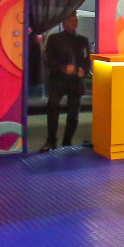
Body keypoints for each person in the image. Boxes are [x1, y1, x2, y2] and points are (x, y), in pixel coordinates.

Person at [42, 13, 92, 150]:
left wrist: (84, 70)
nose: (74, 22)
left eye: (76, 19)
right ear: (64, 22)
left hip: (75, 82)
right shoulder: (54, 39)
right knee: (53, 111)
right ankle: (51, 141)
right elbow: (49, 61)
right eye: (71, 19)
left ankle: (67, 142)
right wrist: (63, 69)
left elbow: (87, 61)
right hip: (58, 80)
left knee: (73, 115)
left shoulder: (82, 40)